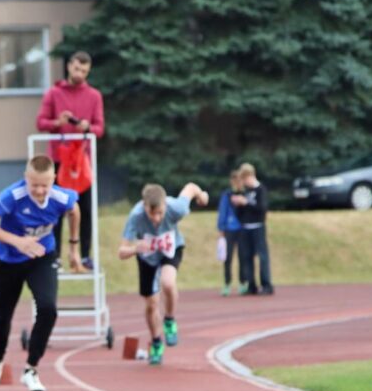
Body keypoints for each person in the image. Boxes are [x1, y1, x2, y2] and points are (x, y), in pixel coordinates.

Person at [0, 155, 79, 391]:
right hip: (8, 259)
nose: (40, 191)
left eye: (45, 185)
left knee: (48, 309)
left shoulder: (61, 197)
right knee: (4, 314)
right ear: (26, 179)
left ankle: (31, 368)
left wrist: (74, 247)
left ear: (54, 179)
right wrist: (18, 241)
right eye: (35, 185)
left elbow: (75, 211)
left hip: (42, 256)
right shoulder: (12, 196)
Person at [118, 182, 209, 364]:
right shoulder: (136, 216)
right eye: (152, 214)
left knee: (168, 282)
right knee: (151, 304)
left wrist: (201, 196)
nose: (157, 218)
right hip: (147, 257)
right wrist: (136, 248)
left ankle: (169, 320)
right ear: (145, 207)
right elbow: (121, 251)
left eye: (160, 212)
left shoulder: (176, 208)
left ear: (165, 206)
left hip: (171, 249)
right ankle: (156, 341)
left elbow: (190, 188)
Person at [35, 51, 103, 268]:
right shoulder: (54, 93)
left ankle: (84, 254)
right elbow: (41, 123)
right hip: (58, 160)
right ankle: (54, 255)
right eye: (76, 68)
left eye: (84, 70)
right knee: (55, 207)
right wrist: (58, 121)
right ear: (69, 67)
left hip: (82, 163)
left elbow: (99, 128)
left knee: (85, 209)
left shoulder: (94, 96)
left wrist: (87, 127)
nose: (79, 73)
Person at [232, 163, 273, 295]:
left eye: (244, 179)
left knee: (262, 256)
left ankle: (266, 284)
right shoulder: (245, 191)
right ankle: (251, 284)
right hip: (245, 227)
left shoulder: (261, 190)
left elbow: (262, 209)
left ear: (250, 176)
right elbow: (239, 214)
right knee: (246, 257)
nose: (243, 182)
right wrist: (238, 204)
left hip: (258, 227)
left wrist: (247, 203)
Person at [217, 168, 243, 296]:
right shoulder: (227, 195)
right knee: (228, 258)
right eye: (235, 179)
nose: (237, 182)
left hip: (243, 229)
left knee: (243, 257)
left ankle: (244, 282)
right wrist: (221, 228)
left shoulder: (245, 194)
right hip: (230, 229)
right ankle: (227, 283)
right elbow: (222, 211)